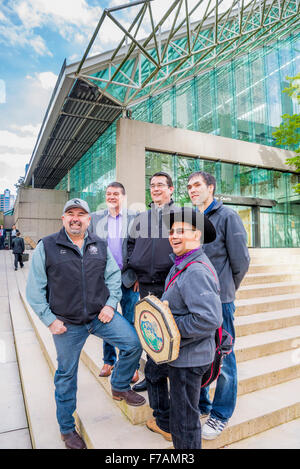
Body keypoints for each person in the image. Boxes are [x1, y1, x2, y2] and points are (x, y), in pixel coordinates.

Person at [26, 198, 145, 450]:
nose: (76, 218)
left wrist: (111, 304)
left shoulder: (99, 246)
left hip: (99, 317)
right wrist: (50, 320)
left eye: (81, 214)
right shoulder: (46, 246)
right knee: (66, 376)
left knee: (133, 343)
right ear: (63, 218)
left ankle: (120, 385)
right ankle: (67, 429)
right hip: (66, 325)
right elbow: (34, 290)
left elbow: (113, 277)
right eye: (70, 213)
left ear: (89, 220)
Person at [145, 207, 222, 449]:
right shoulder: (182, 263)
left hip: (189, 361)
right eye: (171, 231)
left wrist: (166, 329)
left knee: (185, 422)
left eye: (181, 231)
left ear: (196, 236)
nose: (174, 235)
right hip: (184, 356)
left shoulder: (195, 269)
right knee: (183, 417)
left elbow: (208, 318)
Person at [187, 171, 250, 440]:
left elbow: (241, 261)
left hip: (220, 302)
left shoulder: (228, 216)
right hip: (194, 301)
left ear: (211, 187)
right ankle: (203, 404)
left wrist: (226, 290)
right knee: (199, 354)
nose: (192, 190)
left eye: (197, 185)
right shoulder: (191, 219)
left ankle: (220, 414)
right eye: (189, 186)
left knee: (224, 358)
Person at [127, 171, 179, 392]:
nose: (155, 189)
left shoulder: (181, 215)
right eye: (152, 185)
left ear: (170, 189)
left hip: (170, 285)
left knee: (171, 332)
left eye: (160, 185)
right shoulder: (141, 218)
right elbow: (130, 245)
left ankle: (171, 378)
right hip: (146, 286)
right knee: (151, 332)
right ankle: (152, 378)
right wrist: (135, 271)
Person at [89, 182, 139, 382]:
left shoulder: (135, 218)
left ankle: (131, 366)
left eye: (116, 193)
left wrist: (138, 276)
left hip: (128, 279)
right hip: (104, 281)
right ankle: (108, 361)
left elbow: (140, 248)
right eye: (108, 193)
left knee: (129, 322)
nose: (111, 196)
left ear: (123, 197)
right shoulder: (94, 219)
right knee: (106, 320)